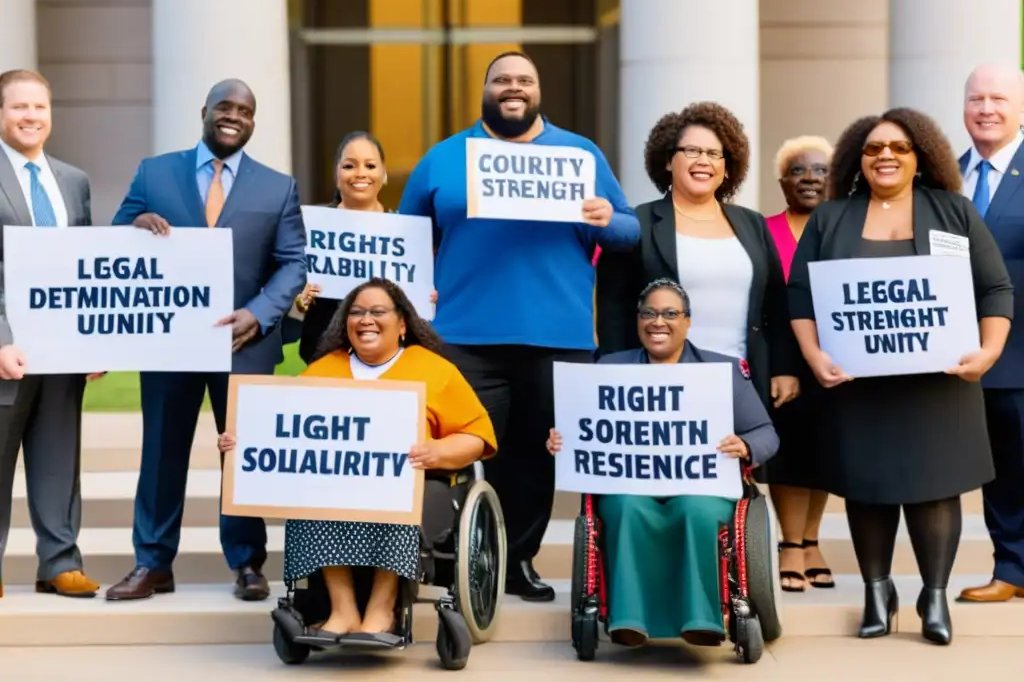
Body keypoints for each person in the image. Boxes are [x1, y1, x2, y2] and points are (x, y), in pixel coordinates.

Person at [399, 51, 639, 602]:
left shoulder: (580, 155)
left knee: (533, 459)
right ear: (484, 90)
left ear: (538, 91)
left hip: (558, 336)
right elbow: (407, 244)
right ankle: (448, 555)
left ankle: (516, 560)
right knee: (451, 451)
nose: (513, 88)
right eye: (501, 80)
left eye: (524, 80)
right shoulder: (442, 159)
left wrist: (606, 219)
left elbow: (628, 235)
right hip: (461, 335)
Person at [788, 107, 1013, 645]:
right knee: (868, 488)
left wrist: (987, 352)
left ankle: (933, 596)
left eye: (898, 148)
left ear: (921, 158)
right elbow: (800, 295)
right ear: (857, 161)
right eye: (872, 149)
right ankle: (876, 591)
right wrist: (815, 356)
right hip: (859, 387)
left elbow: (995, 289)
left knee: (936, 491)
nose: (884, 156)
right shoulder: (831, 218)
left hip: (938, 387)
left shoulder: (953, 211)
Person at [105, 79, 307, 602]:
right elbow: (113, 238)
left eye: (244, 110)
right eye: (225, 106)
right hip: (170, 340)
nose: (233, 115)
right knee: (161, 451)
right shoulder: (155, 172)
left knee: (241, 454)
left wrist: (260, 314)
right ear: (205, 111)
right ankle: (152, 564)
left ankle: (246, 562)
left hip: (246, 342)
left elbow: (293, 264)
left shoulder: (277, 186)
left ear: (253, 122)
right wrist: (134, 227)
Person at [220, 278, 497, 634]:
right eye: (356, 312)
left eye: (377, 312)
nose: (365, 319)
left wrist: (437, 450)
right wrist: (241, 442)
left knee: (398, 498)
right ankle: (344, 609)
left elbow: (477, 435)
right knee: (311, 499)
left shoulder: (433, 368)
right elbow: (282, 431)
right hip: (336, 487)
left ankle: (383, 608)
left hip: (415, 481)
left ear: (402, 324)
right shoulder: (323, 369)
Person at [547, 278, 778, 647]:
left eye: (670, 313)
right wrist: (562, 440)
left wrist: (745, 445)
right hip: (631, 486)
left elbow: (766, 432)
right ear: (637, 320)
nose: (659, 322)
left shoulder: (722, 371)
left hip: (701, 487)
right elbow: (582, 429)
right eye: (649, 313)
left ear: (688, 321)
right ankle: (628, 619)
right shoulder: (608, 368)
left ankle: (702, 619)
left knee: (695, 510)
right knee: (624, 507)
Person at [596, 102, 800, 424]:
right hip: (661, 384)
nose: (703, 161)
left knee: (737, 470)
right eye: (691, 150)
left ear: (728, 167)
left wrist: (784, 368)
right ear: (667, 160)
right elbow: (613, 309)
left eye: (713, 153)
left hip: (743, 383)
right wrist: (617, 376)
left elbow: (775, 303)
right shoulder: (639, 223)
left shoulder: (752, 224)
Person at [0, 69, 99, 599]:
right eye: (19, 108)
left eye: (39, 107)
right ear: (1, 113)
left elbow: (85, 271)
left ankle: (59, 562)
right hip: (5, 348)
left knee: (60, 457)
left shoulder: (72, 181)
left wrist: (93, 342)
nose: (31, 117)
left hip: (61, 351)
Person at [956, 62, 1024, 604]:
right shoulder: (943, 178)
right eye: (977, 99)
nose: (986, 109)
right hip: (966, 354)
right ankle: (1012, 570)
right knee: (1000, 469)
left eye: (999, 99)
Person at [291, 131, 437, 364]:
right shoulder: (309, 228)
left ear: (384, 174)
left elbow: (416, 309)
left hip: (387, 359)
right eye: (350, 166)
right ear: (337, 175)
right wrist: (300, 302)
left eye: (370, 165)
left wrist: (427, 298)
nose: (360, 173)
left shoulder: (406, 232)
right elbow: (292, 299)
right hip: (325, 358)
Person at [762, 136, 835, 593]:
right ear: (782, 182)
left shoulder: (845, 226)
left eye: (821, 170)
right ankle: (789, 544)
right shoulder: (761, 229)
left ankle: (811, 540)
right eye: (798, 171)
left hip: (834, 360)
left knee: (823, 451)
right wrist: (778, 363)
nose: (810, 178)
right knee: (789, 449)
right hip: (783, 359)